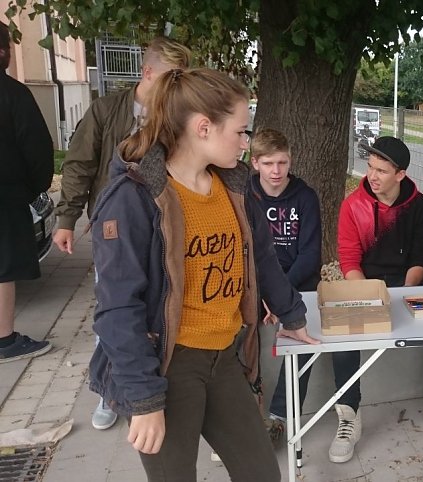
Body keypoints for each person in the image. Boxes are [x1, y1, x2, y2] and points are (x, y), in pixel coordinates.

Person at [88, 67, 318, 481]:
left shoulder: (233, 186)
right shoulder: (135, 197)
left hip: (226, 358)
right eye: (241, 131)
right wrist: (144, 401)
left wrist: (293, 316)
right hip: (168, 367)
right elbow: (117, 307)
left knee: (263, 473)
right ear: (203, 128)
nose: (246, 144)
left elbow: (262, 259)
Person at [52, 36, 191, 431]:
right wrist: (67, 219)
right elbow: (79, 164)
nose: (178, 84)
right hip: (115, 231)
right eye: (172, 76)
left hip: (165, 230)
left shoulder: (177, 114)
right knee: (116, 310)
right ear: (148, 72)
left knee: (157, 309)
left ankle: (151, 386)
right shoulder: (106, 109)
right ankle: (109, 392)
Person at [333, 136, 423, 462]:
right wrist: (370, 298)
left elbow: (421, 257)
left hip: (408, 282)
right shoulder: (353, 205)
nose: (372, 176)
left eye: (381, 170)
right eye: (370, 168)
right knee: (342, 331)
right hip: (364, 282)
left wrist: (405, 294)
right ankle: (349, 414)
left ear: (401, 174)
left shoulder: (419, 205)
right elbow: (349, 261)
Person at [247, 127, 321, 439]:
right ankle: (248, 414)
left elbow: (310, 255)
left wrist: (280, 297)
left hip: (297, 284)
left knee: (306, 338)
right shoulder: (244, 196)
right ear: (254, 164)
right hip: (257, 285)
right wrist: (266, 295)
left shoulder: (305, 197)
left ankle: (280, 416)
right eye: (268, 164)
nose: (276, 171)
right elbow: (245, 252)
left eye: (282, 163)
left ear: (290, 161)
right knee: (240, 337)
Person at [0, 21, 54, 363]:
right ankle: (4, 340)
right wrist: (33, 189)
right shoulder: (12, 94)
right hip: (5, 197)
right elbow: (37, 148)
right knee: (3, 269)